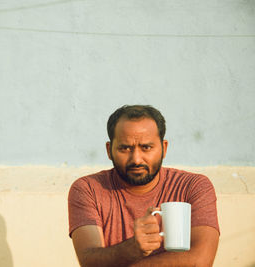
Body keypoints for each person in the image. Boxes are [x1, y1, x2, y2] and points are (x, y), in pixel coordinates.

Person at [68, 105, 219, 267]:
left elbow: (201, 261)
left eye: (146, 147)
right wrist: (132, 248)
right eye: (125, 148)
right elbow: (89, 260)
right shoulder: (88, 189)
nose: (137, 159)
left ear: (164, 148)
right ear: (109, 150)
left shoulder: (193, 186)